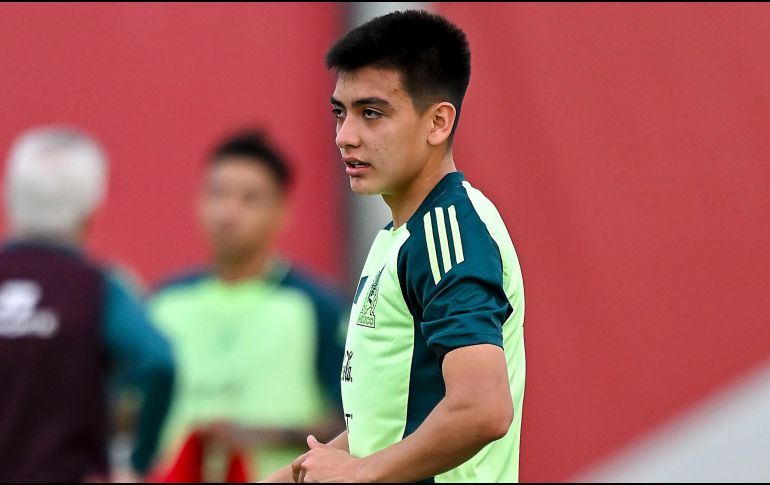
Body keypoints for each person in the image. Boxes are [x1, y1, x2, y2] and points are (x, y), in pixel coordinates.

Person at [265, 10, 527, 483]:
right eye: (339, 113)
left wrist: (359, 474)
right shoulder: (401, 233)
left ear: (438, 123)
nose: (345, 137)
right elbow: (382, 423)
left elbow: (483, 408)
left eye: (372, 113)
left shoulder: (449, 232)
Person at [149, 130, 346, 481]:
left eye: (249, 198)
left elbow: (356, 421)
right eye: (217, 193)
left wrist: (263, 434)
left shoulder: (316, 307)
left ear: (282, 211)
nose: (228, 211)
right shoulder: (164, 302)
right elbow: (126, 410)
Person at [0, 126, 176, 482]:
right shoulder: (98, 288)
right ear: (91, 209)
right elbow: (159, 363)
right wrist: (138, 461)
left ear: (10, 197)